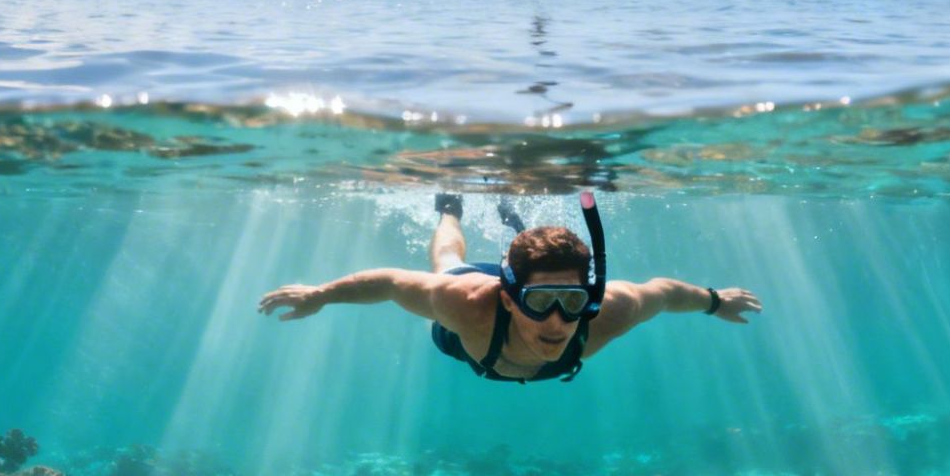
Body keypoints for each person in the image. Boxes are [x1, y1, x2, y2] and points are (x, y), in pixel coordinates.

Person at [256, 193, 761, 383]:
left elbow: (663, 292)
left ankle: (514, 218)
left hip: (495, 328)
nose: (560, 322)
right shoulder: (466, 304)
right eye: (541, 303)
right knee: (447, 260)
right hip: (467, 339)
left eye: (573, 301)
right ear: (509, 296)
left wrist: (714, 302)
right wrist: (319, 294)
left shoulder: (610, 311)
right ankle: (451, 207)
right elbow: (390, 282)